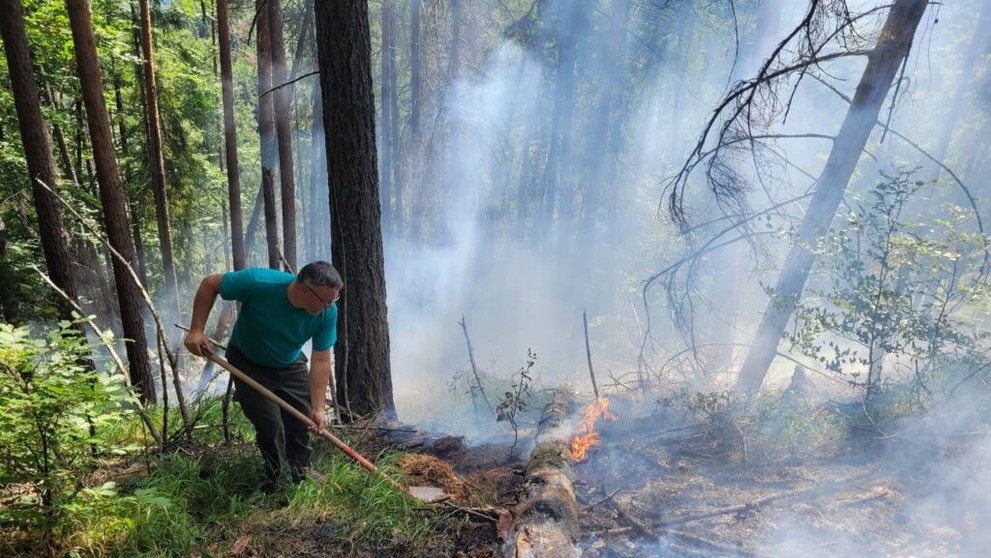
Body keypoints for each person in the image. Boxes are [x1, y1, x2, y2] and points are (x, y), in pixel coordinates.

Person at [184, 261, 342, 488]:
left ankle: (300, 471)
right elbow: (210, 284)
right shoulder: (260, 282)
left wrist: (317, 408)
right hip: (249, 361)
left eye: (333, 300)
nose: (330, 306)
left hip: (289, 362)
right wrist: (197, 330)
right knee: (270, 425)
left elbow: (321, 360)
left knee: (301, 418)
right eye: (326, 300)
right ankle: (277, 479)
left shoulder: (327, 313)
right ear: (305, 289)